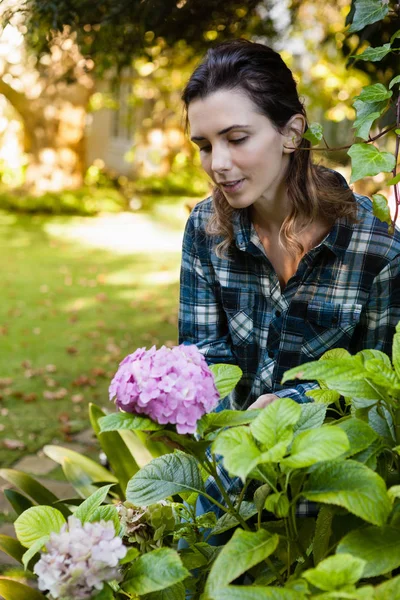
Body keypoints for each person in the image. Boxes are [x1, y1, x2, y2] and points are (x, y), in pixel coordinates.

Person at [178, 39, 400, 516]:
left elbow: (378, 390)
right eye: (205, 145)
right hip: (228, 486)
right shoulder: (204, 230)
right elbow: (202, 358)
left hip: (329, 502)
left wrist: (289, 406)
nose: (217, 163)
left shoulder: (375, 247)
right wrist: (233, 427)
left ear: (291, 132)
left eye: (236, 139)